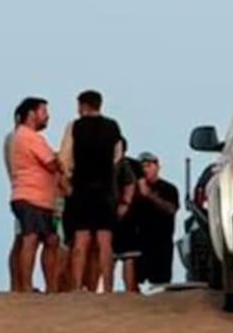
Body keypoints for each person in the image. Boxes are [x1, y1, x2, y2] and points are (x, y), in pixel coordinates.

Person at [59, 90, 125, 292]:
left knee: (81, 239)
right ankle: (107, 287)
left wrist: (68, 179)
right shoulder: (113, 126)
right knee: (105, 241)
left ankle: (78, 286)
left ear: (83, 106)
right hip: (105, 188)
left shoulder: (75, 126)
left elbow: (65, 157)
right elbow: (118, 154)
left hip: (82, 187)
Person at [8, 97, 62, 293]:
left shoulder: (20, 136)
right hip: (31, 196)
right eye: (44, 112)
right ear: (32, 114)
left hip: (38, 198)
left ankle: (50, 286)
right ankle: (26, 286)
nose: (47, 117)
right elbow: (51, 163)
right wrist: (60, 160)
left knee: (50, 240)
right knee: (31, 238)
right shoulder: (30, 137)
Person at [133, 151, 180, 287]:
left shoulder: (169, 188)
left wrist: (149, 195)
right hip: (139, 242)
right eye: (141, 167)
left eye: (148, 166)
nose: (145, 170)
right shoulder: (132, 189)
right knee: (134, 283)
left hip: (161, 243)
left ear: (157, 166)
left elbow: (171, 209)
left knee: (161, 283)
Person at [111, 137, 141, 292]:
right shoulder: (133, 165)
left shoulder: (130, 165)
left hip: (127, 214)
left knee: (127, 256)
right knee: (115, 255)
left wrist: (125, 204)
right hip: (116, 213)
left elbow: (138, 187)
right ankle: (109, 290)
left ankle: (127, 290)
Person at [3, 105, 23, 292]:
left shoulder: (15, 138)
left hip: (21, 192)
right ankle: (18, 285)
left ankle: (18, 284)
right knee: (22, 239)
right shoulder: (15, 138)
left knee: (21, 238)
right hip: (24, 193)